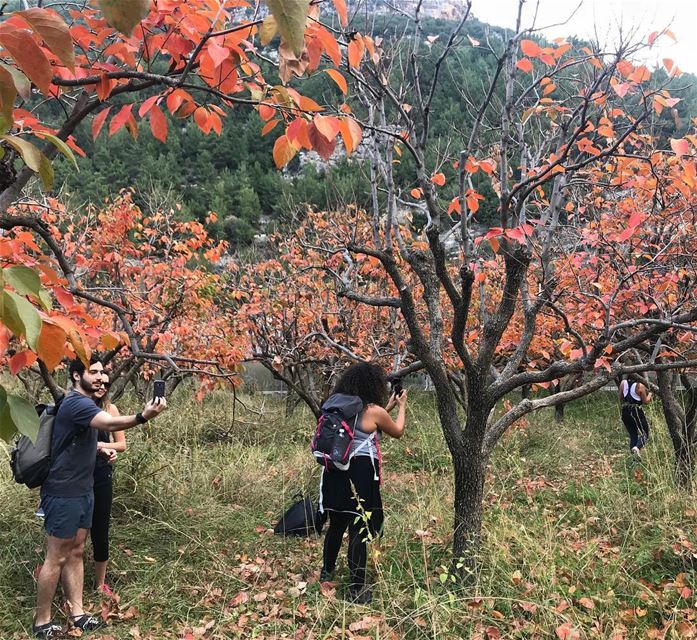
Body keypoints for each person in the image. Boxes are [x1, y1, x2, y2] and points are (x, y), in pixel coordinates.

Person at [33, 357, 167, 640]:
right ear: (75, 376)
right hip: (64, 490)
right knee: (56, 555)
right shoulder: (76, 403)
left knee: (78, 550)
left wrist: (99, 451)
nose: (101, 378)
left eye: (103, 374)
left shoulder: (86, 405)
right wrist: (142, 416)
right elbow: (109, 421)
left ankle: (78, 614)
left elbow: (77, 440)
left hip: (84, 488)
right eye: (93, 373)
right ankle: (41, 621)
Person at [318, 362, 407, 604]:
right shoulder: (374, 412)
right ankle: (357, 587)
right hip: (360, 474)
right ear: (372, 384)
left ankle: (327, 573)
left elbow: (363, 425)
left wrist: (385, 407)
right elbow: (397, 431)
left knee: (337, 523)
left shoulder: (334, 404)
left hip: (334, 471)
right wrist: (402, 407)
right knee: (360, 527)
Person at [92, 371, 126, 595]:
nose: (102, 386)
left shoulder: (110, 410)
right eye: (99, 382)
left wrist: (104, 449)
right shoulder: (77, 408)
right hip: (78, 477)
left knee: (101, 529)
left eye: (106, 384)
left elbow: (121, 444)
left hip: (102, 475)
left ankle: (99, 583)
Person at [619, 375, 652, 456]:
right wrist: (650, 394)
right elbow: (646, 401)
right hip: (636, 412)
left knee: (633, 435)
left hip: (625, 411)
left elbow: (621, 399)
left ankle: (634, 459)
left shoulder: (623, 383)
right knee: (645, 433)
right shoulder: (640, 386)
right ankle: (637, 447)